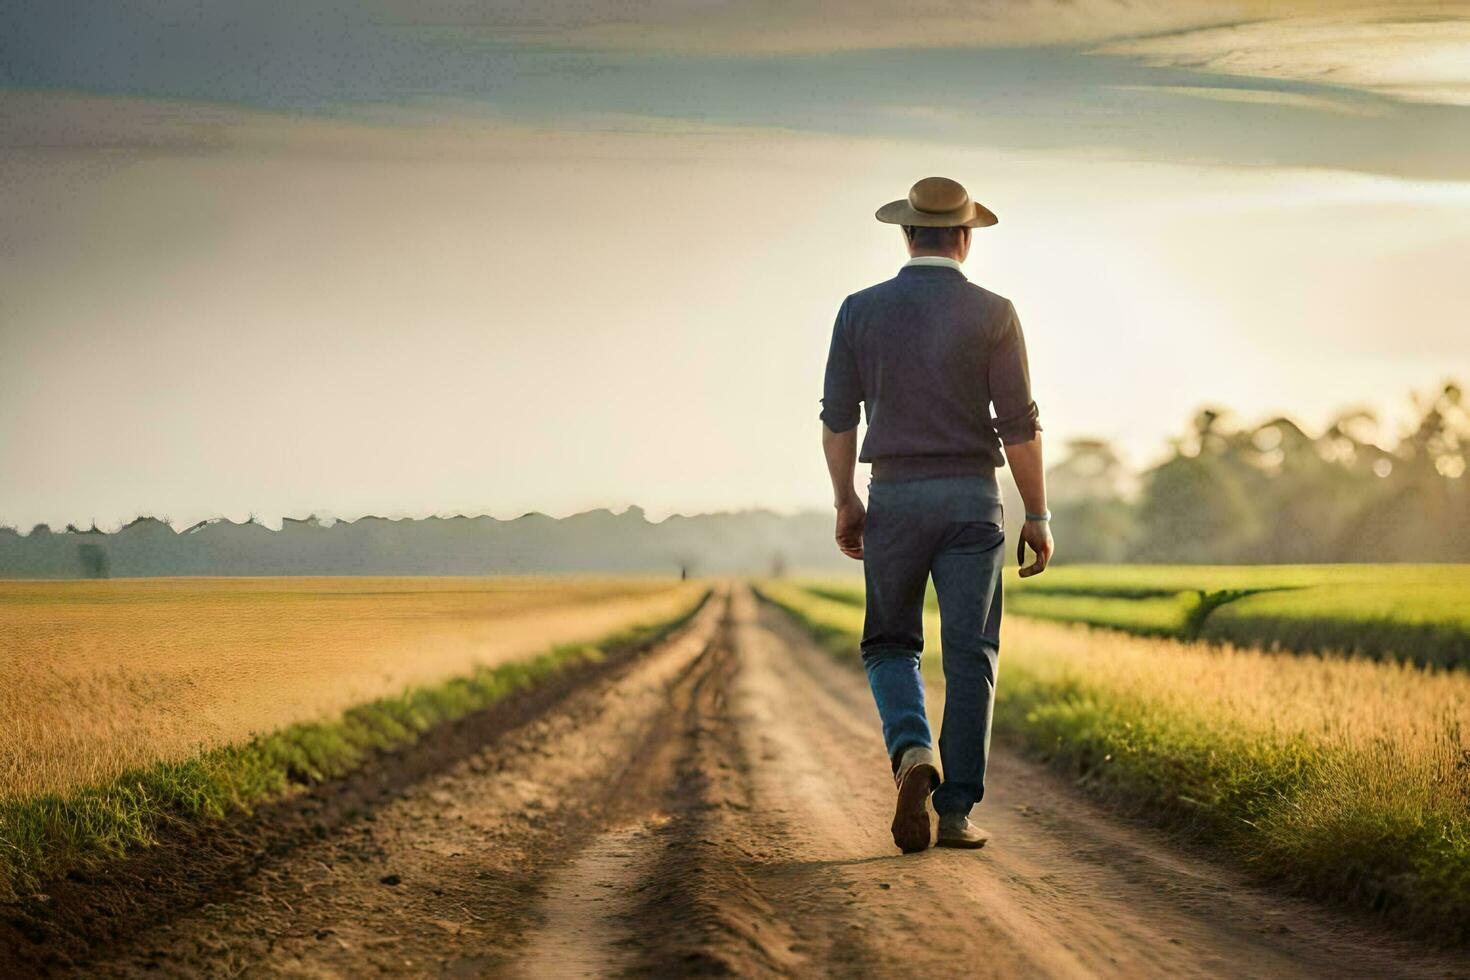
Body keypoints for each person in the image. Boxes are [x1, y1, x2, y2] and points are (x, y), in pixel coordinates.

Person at [819, 176, 1054, 853]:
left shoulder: (859, 310)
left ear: (906, 234)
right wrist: (1035, 513)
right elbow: (1019, 426)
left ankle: (913, 747)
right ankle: (954, 813)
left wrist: (846, 500)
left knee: (890, 643)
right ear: (966, 237)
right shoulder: (995, 313)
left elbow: (837, 420)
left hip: (894, 494)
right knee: (971, 652)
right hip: (972, 499)